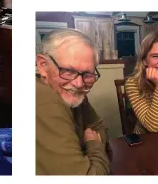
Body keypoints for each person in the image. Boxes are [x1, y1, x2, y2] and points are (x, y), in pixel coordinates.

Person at [36, 29, 110, 175]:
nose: (78, 83)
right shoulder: (46, 102)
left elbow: (100, 127)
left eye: (87, 74)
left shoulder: (73, 94)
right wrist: (93, 144)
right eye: (68, 71)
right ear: (43, 66)